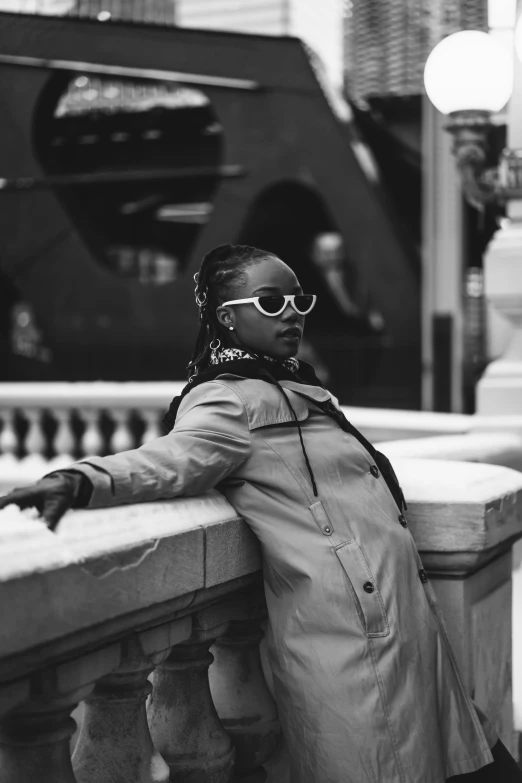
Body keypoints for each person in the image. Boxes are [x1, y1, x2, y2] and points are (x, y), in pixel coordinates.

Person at [1, 244, 521, 783]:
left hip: (401, 618)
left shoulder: (299, 386)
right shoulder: (224, 400)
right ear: (227, 316)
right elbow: (173, 459)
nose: (292, 312)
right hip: (347, 632)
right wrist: (84, 480)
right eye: (271, 302)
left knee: (458, 757)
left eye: (298, 299)